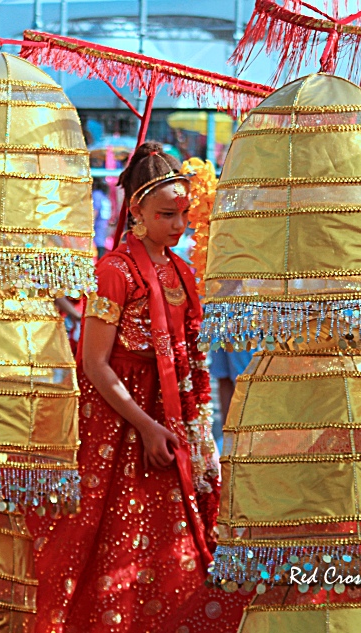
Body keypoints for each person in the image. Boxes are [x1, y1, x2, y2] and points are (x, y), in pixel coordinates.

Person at [28, 142, 247, 632]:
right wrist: (148, 427)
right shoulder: (114, 272)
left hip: (177, 419)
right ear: (136, 211)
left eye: (184, 214)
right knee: (116, 537)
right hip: (121, 425)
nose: (179, 225)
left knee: (175, 541)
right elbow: (94, 363)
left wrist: (194, 431)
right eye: (167, 214)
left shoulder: (181, 270)